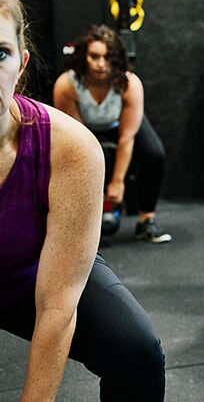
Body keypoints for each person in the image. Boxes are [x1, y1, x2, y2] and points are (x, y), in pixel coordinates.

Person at [0, 0, 166, 402]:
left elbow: (58, 304)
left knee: (136, 352)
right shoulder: (71, 89)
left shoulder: (69, 146)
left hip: (35, 268)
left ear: (20, 63)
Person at [52, 24, 171, 243]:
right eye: (94, 56)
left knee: (154, 154)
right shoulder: (66, 85)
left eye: (108, 58)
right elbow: (77, 141)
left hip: (119, 125)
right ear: (83, 57)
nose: (101, 64)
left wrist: (117, 181)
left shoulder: (129, 84)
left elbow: (127, 137)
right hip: (83, 130)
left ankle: (146, 221)